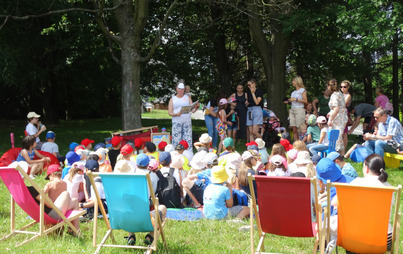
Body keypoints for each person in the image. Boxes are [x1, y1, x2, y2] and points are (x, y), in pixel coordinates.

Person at [42, 164, 80, 233]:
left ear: (52, 174)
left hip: (54, 209)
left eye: (49, 177)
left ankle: (73, 229)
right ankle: (75, 229)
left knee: (73, 200)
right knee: (75, 201)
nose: (49, 179)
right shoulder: (64, 183)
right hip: (63, 209)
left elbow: (41, 195)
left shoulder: (50, 184)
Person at [168, 79, 198, 149]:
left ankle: (188, 153)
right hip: (176, 122)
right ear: (176, 89)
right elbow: (170, 112)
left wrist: (196, 108)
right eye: (179, 89)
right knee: (176, 139)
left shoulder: (187, 97)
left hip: (187, 121)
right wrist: (176, 114)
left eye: (182, 89)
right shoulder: (173, 99)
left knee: (187, 138)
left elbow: (192, 110)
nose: (181, 91)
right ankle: (176, 153)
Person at [327, 79, 347, 154]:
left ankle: (340, 156)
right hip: (341, 116)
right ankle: (340, 155)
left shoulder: (334, 95)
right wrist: (330, 112)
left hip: (339, 118)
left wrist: (330, 120)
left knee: (337, 137)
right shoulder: (339, 93)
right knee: (338, 136)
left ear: (330, 86)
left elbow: (336, 109)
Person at [284, 76, 307, 141]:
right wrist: (289, 102)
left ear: (297, 81)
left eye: (293, 81)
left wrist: (296, 99)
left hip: (299, 109)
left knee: (299, 128)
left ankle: (301, 143)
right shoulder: (293, 92)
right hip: (292, 110)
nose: (292, 82)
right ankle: (295, 143)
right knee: (294, 129)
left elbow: (305, 101)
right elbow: (293, 102)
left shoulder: (302, 90)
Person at [340, 80, 352, 154]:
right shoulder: (340, 94)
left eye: (344, 87)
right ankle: (339, 150)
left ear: (348, 87)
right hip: (338, 113)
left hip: (344, 113)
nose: (342, 88)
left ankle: (343, 152)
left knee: (344, 132)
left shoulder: (348, 95)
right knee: (340, 132)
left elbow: (343, 104)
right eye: (341, 86)